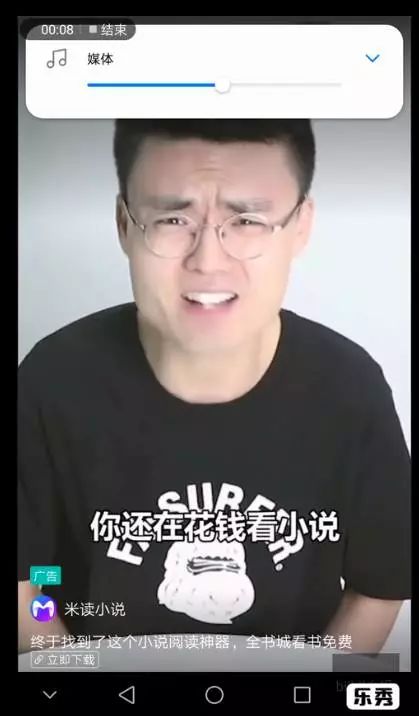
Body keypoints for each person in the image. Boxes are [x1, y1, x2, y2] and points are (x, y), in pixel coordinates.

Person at [18, 119, 411, 655]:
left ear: (300, 227)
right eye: (172, 219)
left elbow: (378, 586)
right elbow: (26, 583)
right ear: (125, 225)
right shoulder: (52, 381)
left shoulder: (350, 390)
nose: (207, 261)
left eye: (247, 220)